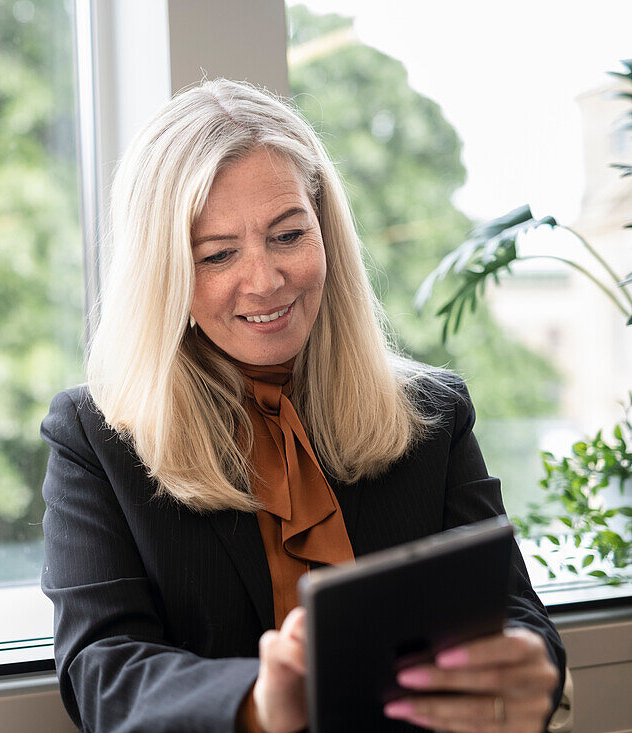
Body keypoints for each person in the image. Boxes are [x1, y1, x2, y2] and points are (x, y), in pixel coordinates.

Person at [39, 79, 564, 733]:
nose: (263, 279)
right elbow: (103, 673)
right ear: (165, 270)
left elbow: (515, 614)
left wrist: (529, 667)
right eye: (218, 254)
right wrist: (260, 697)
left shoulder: (434, 414)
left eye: (288, 235)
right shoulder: (96, 437)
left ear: (325, 233)